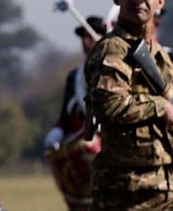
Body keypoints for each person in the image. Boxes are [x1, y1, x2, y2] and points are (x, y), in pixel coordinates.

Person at [84, 0, 173, 210]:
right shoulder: (112, 50)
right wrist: (159, 107)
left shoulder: (160, 55)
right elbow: (108, 105)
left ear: (160, 1)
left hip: (167, 185)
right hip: (126, 190)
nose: (138, 1)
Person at [43, 16, 106, 211]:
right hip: (77, 145)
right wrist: (57, 131)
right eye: (83, 38)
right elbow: (65, 117)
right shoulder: (74, 77)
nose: (86, 42)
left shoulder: (111, 72)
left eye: (91, 37)